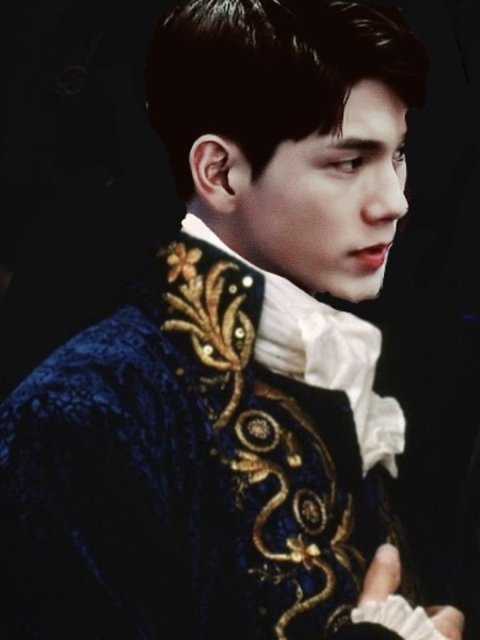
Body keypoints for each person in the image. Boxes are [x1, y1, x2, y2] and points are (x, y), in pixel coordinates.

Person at [0, 1, 464, 638]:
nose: (394, 201)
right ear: (219, 173)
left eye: (397, 154)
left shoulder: (324, 361)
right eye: (349, 162)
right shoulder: (83, 412)